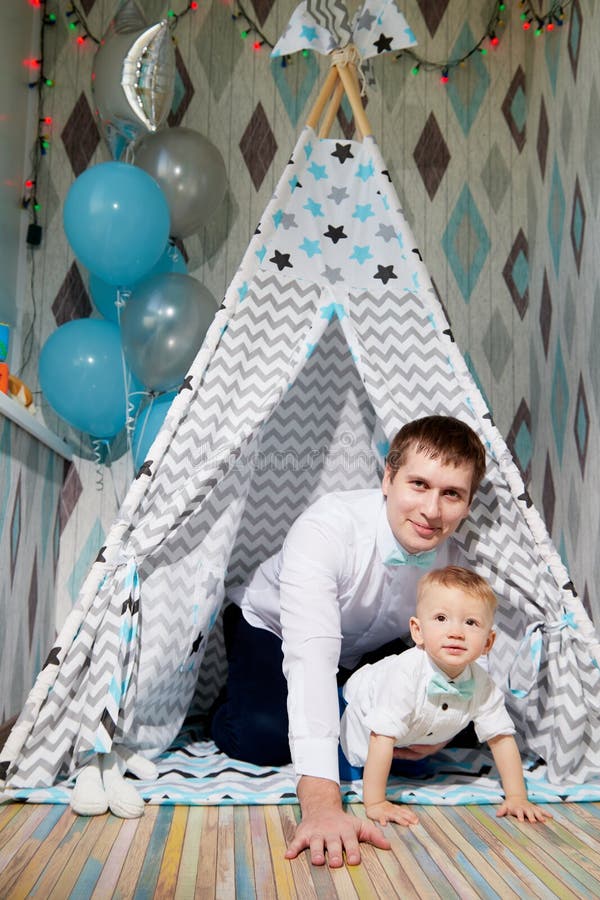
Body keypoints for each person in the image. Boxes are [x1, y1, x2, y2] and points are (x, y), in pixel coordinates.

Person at [211, 415, 487, 867]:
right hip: (274, 628)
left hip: (364, 649)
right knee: (264, 735)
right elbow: (311, 657)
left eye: (451, 494)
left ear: (468, 502)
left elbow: (462, 649)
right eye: (418, 484)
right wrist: (321, 805)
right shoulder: (327, 528)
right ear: (387, 478)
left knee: (412, 752)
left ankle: (339, 709)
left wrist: (443, 729)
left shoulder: (457, 560)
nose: (432, 511)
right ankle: (233, 704)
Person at [340, 566, 552, 827]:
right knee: (348, 769)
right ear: (417, 631)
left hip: (406, 736)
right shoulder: (404, 675)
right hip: (354, 713)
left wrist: (517, 796)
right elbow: (380, 737)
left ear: (488, 642)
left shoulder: (481, 683)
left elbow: (501, 737)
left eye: (471, 622)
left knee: (415, 769)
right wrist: (375, 802)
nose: (456, 632)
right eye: (441, 618)